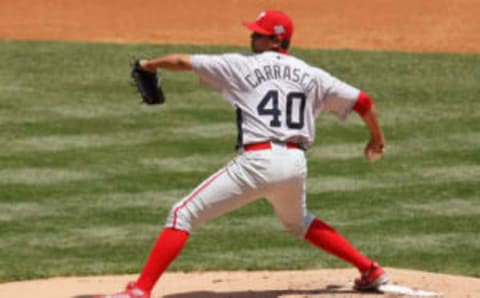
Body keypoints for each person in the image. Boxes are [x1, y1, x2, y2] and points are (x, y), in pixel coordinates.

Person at [95, 10, 388, 298]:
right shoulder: (313, 74)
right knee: (299, 222)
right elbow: (363, 101)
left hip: (259, 162)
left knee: (182, 214)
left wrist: (149, 64)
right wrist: (377, 139)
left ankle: (139, 291)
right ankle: (369, 269)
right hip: (295, 164)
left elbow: (183, 61)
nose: (252, 36)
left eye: (258, 34)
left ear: (275, 40)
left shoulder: (242, 65)